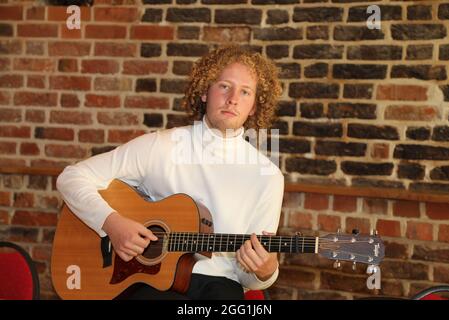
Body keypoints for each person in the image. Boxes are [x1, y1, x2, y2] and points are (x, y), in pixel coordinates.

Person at [56, 45, 284, 300]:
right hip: (148, 282)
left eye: (245, 92)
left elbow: (248, 278)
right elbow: (71, 177)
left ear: (254, 106)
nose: (232, 98)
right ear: (205, 92)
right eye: (224, 86)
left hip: (219, 286)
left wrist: (266, 271)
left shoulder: (268, 177)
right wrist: (112, 224)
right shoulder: (161, 146)